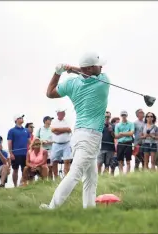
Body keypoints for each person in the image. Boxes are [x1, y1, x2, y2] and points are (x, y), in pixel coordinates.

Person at [41, 52, 110, 210]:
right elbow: (87, 72)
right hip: (90, 135)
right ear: (91, 68)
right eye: (98, 65)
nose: (101, 66)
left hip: (79, 134)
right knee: (76, 173)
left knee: (91, 176)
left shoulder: (71, 83)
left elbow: (49, 92)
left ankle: (90, 209)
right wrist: (75, 69)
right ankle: (52, 207)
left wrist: (58, 73)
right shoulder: (104, 81)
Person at [8, 114, 31, 187]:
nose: (22, 119)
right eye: (20, 118)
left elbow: (29, 142)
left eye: (22, 118)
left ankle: (23, 184)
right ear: (16, 120)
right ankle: (15, 186)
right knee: (15, 170)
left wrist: (31, 151)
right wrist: (11, 153)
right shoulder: (11, 131)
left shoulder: (26, 130)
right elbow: (9, 142)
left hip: (25, 154)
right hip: (16, 154)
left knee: (25, 169)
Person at [51, 109, 72, 178]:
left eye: (64, 112)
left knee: (67, 161)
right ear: (58, 114)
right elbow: (54, 131)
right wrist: (65, 129)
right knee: (55, 161)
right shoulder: (54, 121)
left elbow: (69, 130)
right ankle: (56, 177)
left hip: (66, 144)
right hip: (56, 144)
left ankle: (66, 178)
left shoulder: (67, 120)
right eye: (62, 113)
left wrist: (59, 130)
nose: (64, 114)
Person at [115, 110, 135, 174]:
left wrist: (122, 133)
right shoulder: (117, 125)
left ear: (127, 115)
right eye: (122, 115)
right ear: (121, 116)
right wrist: (127, 133)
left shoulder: (131, 124)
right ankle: (121, 175)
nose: (124, 116)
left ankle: (127, 174)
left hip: (128, 143)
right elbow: (116, 136)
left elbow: (131, 133)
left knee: (128, 160)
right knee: (120, 160)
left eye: (125, 115)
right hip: (120, 143)